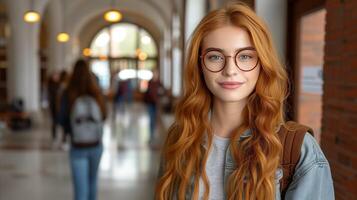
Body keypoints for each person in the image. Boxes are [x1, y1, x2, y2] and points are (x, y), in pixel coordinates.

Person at [155, 2, 334, 200]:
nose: (230, 70)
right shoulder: (180, 138)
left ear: (262, 64)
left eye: (246, 56)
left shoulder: (299, 150)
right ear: (199, 65)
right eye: (215, 57)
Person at [59, 59, 107, 200]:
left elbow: (61, 118)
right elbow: (104, 115)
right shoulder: (96, 92)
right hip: (95, 144)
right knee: (92, 183)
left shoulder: (68, 93)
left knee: (81, 191)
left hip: (77, 145)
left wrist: (73, 130)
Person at [144, 69, 164, 144]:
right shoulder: (150, 82)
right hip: (150, 103)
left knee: (155, 119)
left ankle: (155, 134)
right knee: (151, 119)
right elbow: (149, 93)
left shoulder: (159, 83)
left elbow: (162, 91)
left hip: (157, 104)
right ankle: (151, 135)